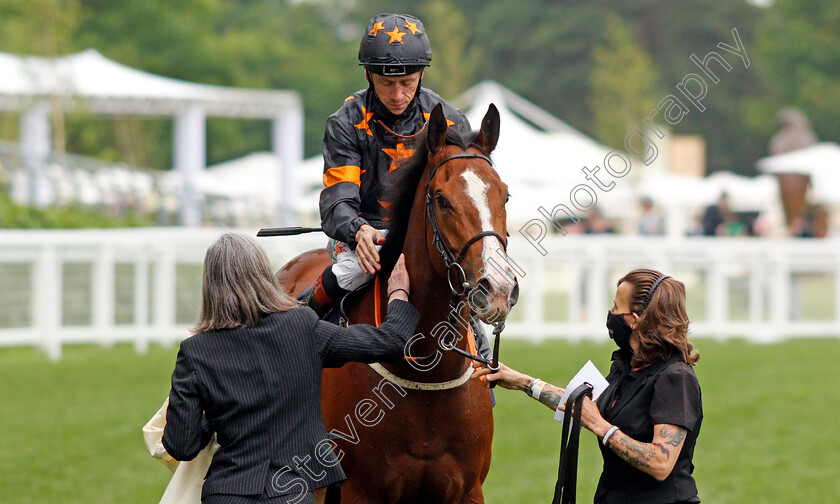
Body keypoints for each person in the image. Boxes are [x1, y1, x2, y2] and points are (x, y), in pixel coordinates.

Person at [161, 233, 421, 504]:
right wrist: (400, 293)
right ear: (263, 274)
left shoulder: (195, 351)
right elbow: (391, 342)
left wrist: (213, 413)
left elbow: (181, 445)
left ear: (210, 286)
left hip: (226, 493)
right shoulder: (303, 326)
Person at [474, 269, 703, 504]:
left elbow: (660, 463)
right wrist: (522, 382)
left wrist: (599, 426)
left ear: (634, 320)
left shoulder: (676, 378)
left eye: (616, 308)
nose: (611, 313)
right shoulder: (627, 365)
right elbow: (581, 403)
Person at [307, 12, 470, 315]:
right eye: (386, 83)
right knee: (353, 272)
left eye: (407, 82)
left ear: (421, 75)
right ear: (368, 76)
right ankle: (299, 322)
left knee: (465, 281)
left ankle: (480, 355)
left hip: (426, 238)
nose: (397, 95)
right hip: (365, 237)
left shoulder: (450, 122)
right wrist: (358, 230)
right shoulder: (346, 122)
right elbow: (336, 201)